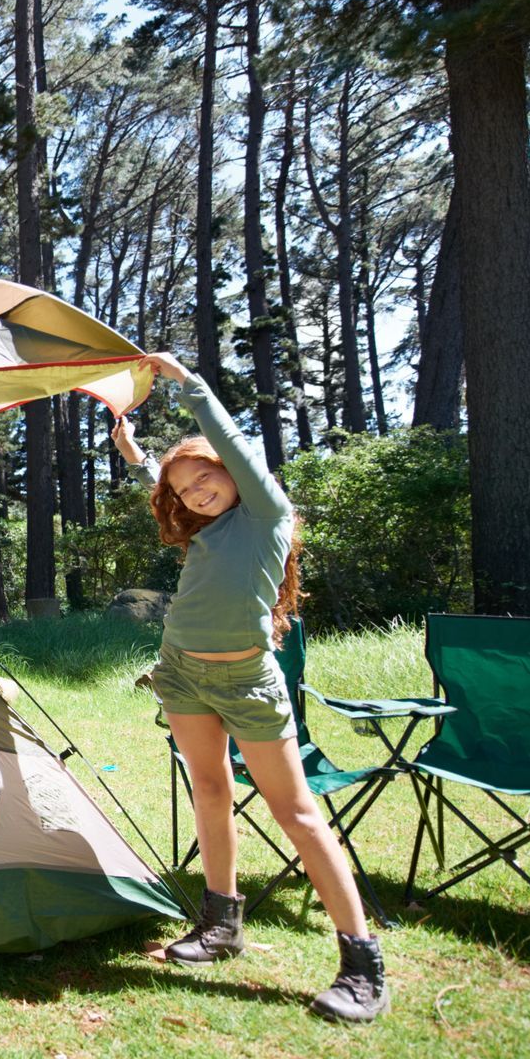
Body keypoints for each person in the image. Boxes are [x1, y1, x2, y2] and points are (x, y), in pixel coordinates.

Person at [111, 352, 387, 1024]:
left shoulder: (267, 511)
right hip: (181, 672)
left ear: (231, 472)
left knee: (295, 813)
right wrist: (137, 456)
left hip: (246, 682)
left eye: (205, 477)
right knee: (210, 790)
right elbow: (165, 480)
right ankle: (221, 923)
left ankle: (362, 963)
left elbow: (232, 445)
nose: (196, 493)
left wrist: (189, 387)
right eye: (185, 491)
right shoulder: (208, 532)